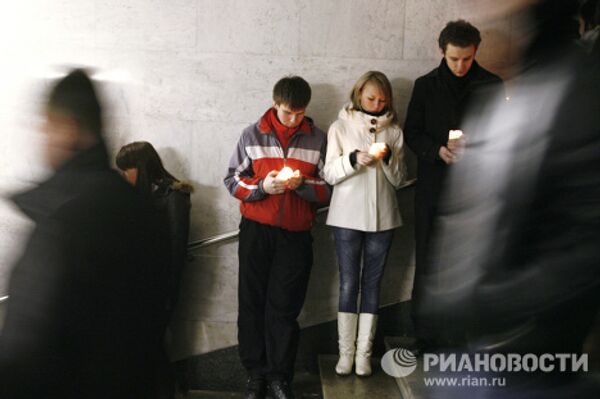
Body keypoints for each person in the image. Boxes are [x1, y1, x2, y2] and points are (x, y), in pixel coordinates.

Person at [0, 69, 166, 398]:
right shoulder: (145, 211)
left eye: (46, 126)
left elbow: (25, 352)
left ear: (68, 129)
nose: (42, 137)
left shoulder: (63, 218)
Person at [224, 76, 331, 399]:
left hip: (295, 236)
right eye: (287, 112)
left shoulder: (317, 139)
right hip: (257, 231)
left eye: (299, 113)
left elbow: (328, 188)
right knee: (252, 303)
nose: (293, 119)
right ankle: (255, 375)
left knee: (284, 308)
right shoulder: (252, 135)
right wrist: (260, 189)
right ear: (275, 105)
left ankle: (280, 376)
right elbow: (232, 180)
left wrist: (303, 186)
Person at [403, 20, 503, 350]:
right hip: (433, 187)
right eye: (454, 59)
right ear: (442, 52)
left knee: (468, 263)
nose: (461, 66)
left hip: (475, 189)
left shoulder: (492, 85)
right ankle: (424, 335)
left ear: (476, 53)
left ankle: (462, 333)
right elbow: (412, 132)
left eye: (467, 59)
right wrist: (436, 151)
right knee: (428, 262)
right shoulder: (425, 85)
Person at [323, 71, 406, 377]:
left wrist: (387, 160)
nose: (376, 104)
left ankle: (364, 355)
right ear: (358, 95)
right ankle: (345, 354)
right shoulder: (340, 127)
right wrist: (354, 160)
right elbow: (329, 173)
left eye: (382, 100)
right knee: (348, 282)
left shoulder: (394, 131)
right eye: (371, 98)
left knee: (373, 284)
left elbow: (400, 179)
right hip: (346, 217)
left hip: (383, 218)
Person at [116, 141, 193, 398]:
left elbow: (176, 249)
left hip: (159, 289)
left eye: (126, 170)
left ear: (140, 167)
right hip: (137, 287)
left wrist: (166, 296)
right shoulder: (139, 196)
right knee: (149, 347)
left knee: (153, 347)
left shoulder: (173, 196)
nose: (124, 176)